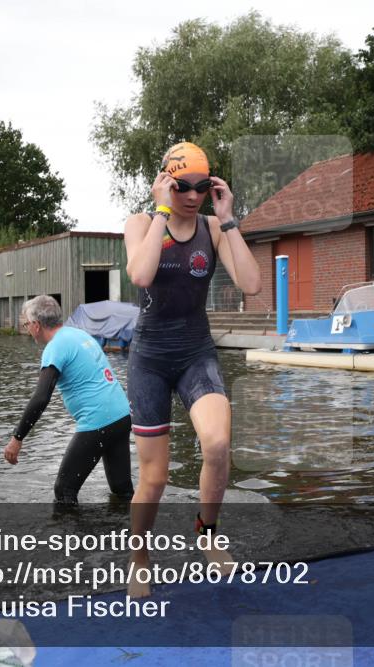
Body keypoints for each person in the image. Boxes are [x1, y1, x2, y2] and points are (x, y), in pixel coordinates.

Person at [123, 141, 261, 597]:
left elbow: (252, 284)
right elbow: (141, 276)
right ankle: (139, 557)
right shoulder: (142, 224)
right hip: (150, 357)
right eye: (183, 186)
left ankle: (207, 534)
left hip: (195, 351)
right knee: (155, 477)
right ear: (165, 182)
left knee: (218, 444)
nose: (193, 194)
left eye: (202, 186)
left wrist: (229, 220)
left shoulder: (212, 227)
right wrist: (161, 211)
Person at [4, 295, 133, 504]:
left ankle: (71, 537)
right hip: (121, 416)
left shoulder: (55, 347)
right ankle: (130, 532)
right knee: (122, 489)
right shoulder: (79, 334)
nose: (27, 329)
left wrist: (17, 438)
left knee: (64, 491)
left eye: (27, 324)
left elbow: (41, 397)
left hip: (98, 421)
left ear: (37, 325)